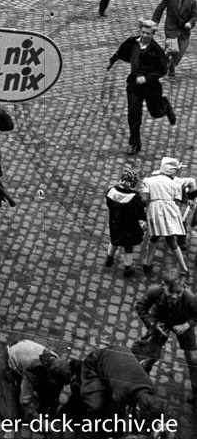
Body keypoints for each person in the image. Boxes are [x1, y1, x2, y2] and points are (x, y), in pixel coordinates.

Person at [106, 19, 176, 156]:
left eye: (148, 33)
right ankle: (134, 143)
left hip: (151, 87)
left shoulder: (156, 50)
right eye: (143, 32)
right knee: (133, 114)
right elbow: (120, 52)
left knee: (155, 112)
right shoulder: (132, 42)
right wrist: (111, 62)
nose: (144, 35)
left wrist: (147, 78)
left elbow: (163, 70)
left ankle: (165, 106)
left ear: (153, 34)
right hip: (134, 86)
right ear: (140, 31)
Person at [134, 269, 197, 409]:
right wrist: (152, 325)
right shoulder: (154, 292)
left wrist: (186, 325)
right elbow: (140, 306)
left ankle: (196, 392)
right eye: (171, 292)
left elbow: (195, 317)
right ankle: (143, 381)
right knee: (152, 356)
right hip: (160, 323)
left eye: (178, 292)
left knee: (193, 359)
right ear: (163, 286)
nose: (174, 296)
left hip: (183, 323)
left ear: (184, 288)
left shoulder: (190, 299)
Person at [80, 344, 164, 422]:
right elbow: (111, 413)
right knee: (97, 406)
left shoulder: (150, 391)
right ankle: (76, 367)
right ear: (137, 408)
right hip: (95, 362)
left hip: (119, 352)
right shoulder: (123, 393)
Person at [140, 157, 196, 276]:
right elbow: (177, 202)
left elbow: (144, 199)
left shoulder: (149, 180)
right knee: (171, 240)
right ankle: (184, 268)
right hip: (168, 211)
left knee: (154, 236)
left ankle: (147, 263)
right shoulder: (175, 183)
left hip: (153, 210)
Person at [0, 340, 72, 421]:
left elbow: (56, 391)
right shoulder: (34, 369)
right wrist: (41, 422)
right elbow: (25, 402)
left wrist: (53, 410)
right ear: (51, 377)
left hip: (22, 358)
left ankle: (17, 387)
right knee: (13, 415)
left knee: (48, 391)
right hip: (7, 364)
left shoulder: (57, 362)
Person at [104, 167, 146, 278]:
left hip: (115, 222)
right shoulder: (134, 197)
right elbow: (139, 212)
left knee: (114, 240)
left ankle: (109, 259)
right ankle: (128, 268)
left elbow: (109, 205)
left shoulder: (111, 191)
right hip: (129, 225)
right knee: (128, 245)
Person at [151, 0, 196, 77]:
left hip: (184, 32)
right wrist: (154, 23)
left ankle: (171, 66)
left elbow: (194, 16)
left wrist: (190, 23)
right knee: (173, 50)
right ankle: (164, 61)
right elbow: (159, 10)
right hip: (171, 29)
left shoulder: (192, 2)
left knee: (179, 54)